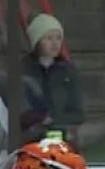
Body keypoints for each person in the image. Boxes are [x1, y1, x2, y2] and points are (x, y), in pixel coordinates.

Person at [18, 13, 84, 144]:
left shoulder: (68, 71)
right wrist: (37, 119)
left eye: (58, 38)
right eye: (48, 38)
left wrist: (53, 119)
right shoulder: (22, 70)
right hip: (30, 141)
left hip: (61, 139)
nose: (55, 43)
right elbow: (19, 111)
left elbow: (79, 114)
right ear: (37, 41)